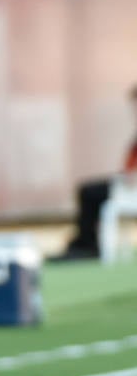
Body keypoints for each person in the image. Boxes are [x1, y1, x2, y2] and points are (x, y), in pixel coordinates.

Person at [51, 84, 137, 261]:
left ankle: (87, 245)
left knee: (89, 192)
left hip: (131, 189)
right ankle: (85, 241)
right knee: (88, 190)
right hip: (125, 183)